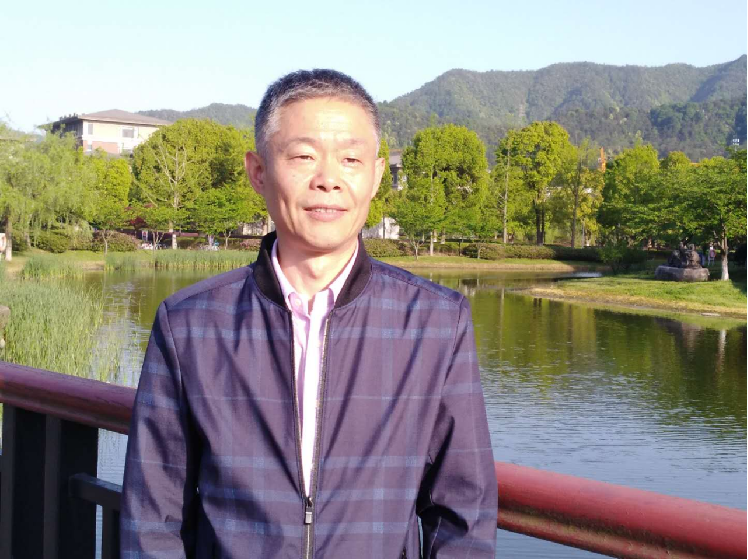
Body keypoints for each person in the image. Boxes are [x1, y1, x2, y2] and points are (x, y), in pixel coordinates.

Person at [120, 69, 497, 559]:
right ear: (259, 171)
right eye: (303, 156)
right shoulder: (189, 325)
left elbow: (464, 515)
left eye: (350, 160)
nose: (328, 180)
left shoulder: (435, 322)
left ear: (376, 175)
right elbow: (153, 518)